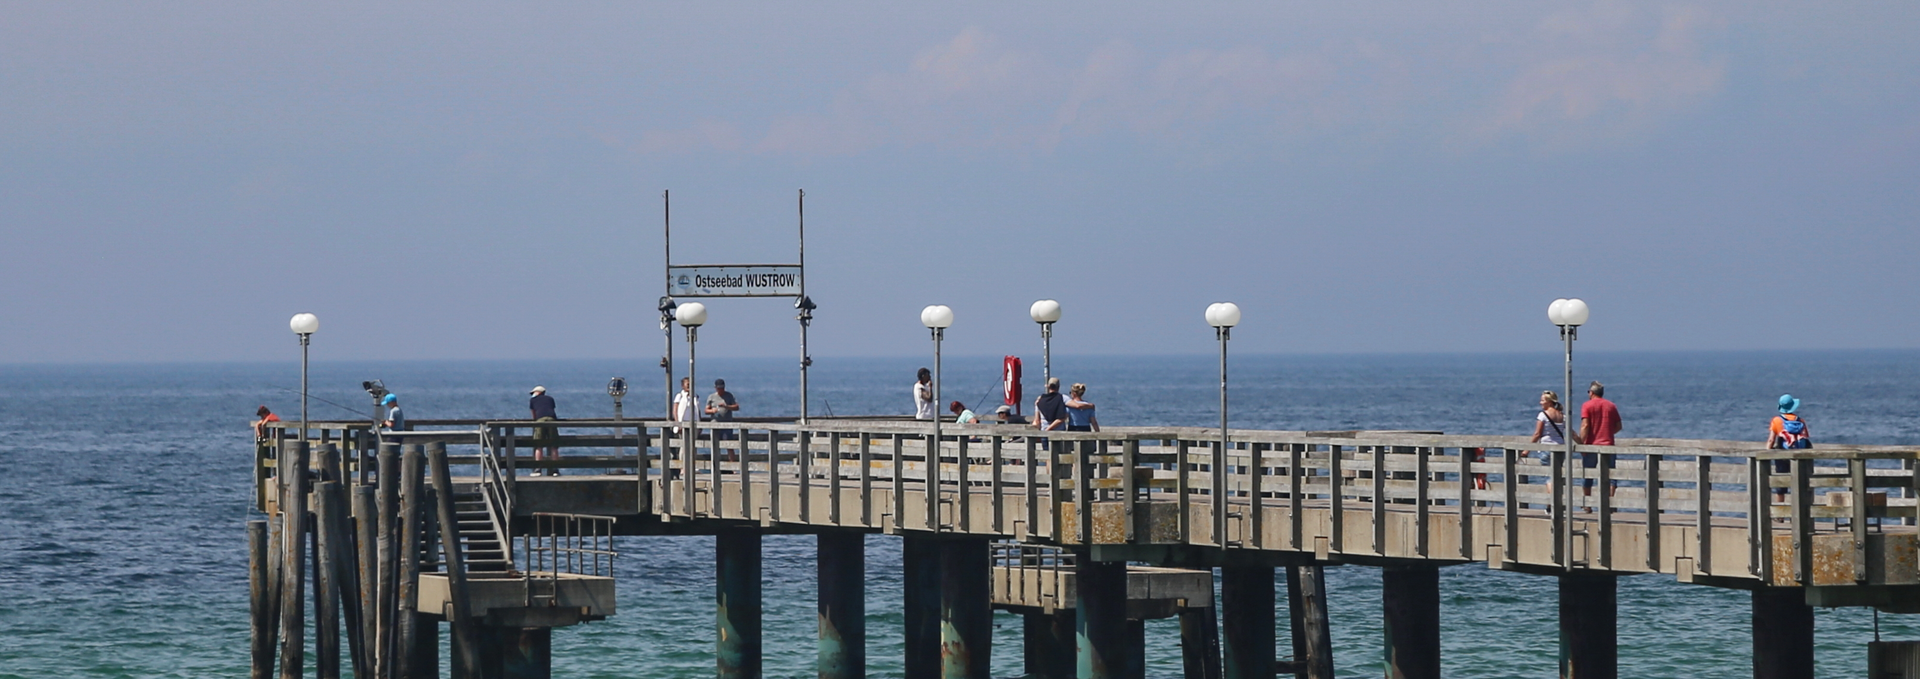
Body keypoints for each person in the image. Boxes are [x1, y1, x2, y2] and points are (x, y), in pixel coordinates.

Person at [1578, 381, 1622, 500]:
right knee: (1611, 475)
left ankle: (1587, 503)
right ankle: (1610, 502)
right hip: (1608, 445)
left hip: (1591, 445)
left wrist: (1581, 443)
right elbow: (1619, 426)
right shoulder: (1611, 406)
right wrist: (1607, 432)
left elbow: (1585, 425)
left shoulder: (1587, 405)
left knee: (1588, 475)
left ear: (1591, 393)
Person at [1767, 394, 1812, 503]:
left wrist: (1767, 452)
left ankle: (1780, 514)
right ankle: (1801, 511)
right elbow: (1806, 438)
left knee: (1781, 484)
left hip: (1783, 456)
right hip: (1800, 456)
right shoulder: (1801, 421)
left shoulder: (1777, 421)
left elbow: (1771, 440)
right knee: (1800, 484)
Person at [529, 386, 558, 476]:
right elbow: (552, 410)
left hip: (540, 419)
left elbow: (534, 414)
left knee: (539, 445)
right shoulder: (550, 399)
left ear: (537, 392)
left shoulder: (533, 401)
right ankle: (555, 469)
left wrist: (535, 421)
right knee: (554, 445)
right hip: (551, 419)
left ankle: (538, 469)